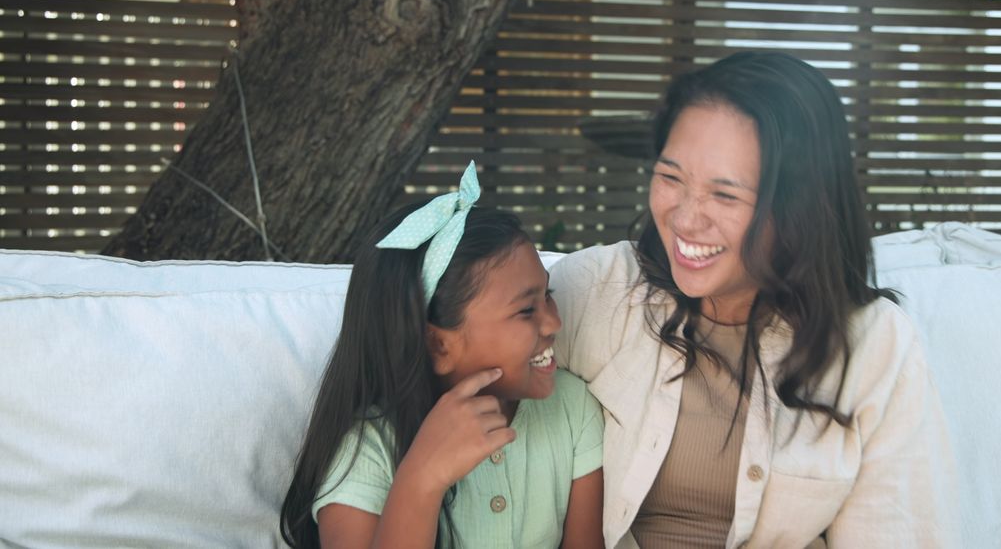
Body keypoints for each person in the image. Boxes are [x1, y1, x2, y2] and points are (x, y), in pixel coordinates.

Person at [550, 51, 960, 548]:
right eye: (671, 177)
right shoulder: (593, 292)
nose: (685, 219)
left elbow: (897, 534)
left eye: (725, 195)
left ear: (800, 208)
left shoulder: (874, 346)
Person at [279, 163, 605, 549]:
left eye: (547, 295)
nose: (554, 323)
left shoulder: (572, 408)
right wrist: (422, 479)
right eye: (526, 310)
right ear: (438, 345)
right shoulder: (368, 452)